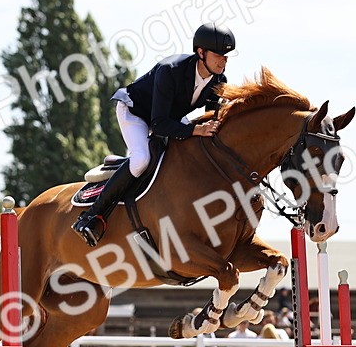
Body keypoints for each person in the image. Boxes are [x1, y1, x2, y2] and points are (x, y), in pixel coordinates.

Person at [72, 22, 236, 247]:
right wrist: (195, 130)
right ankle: (92, 216)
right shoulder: (171, 70)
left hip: (169, 117)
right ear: (200, 52)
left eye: (227, 56)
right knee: (141, 161)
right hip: (136, 112)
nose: (224, 60)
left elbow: (211, 118)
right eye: (219, 55)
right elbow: (158, 125)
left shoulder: (219, 81)